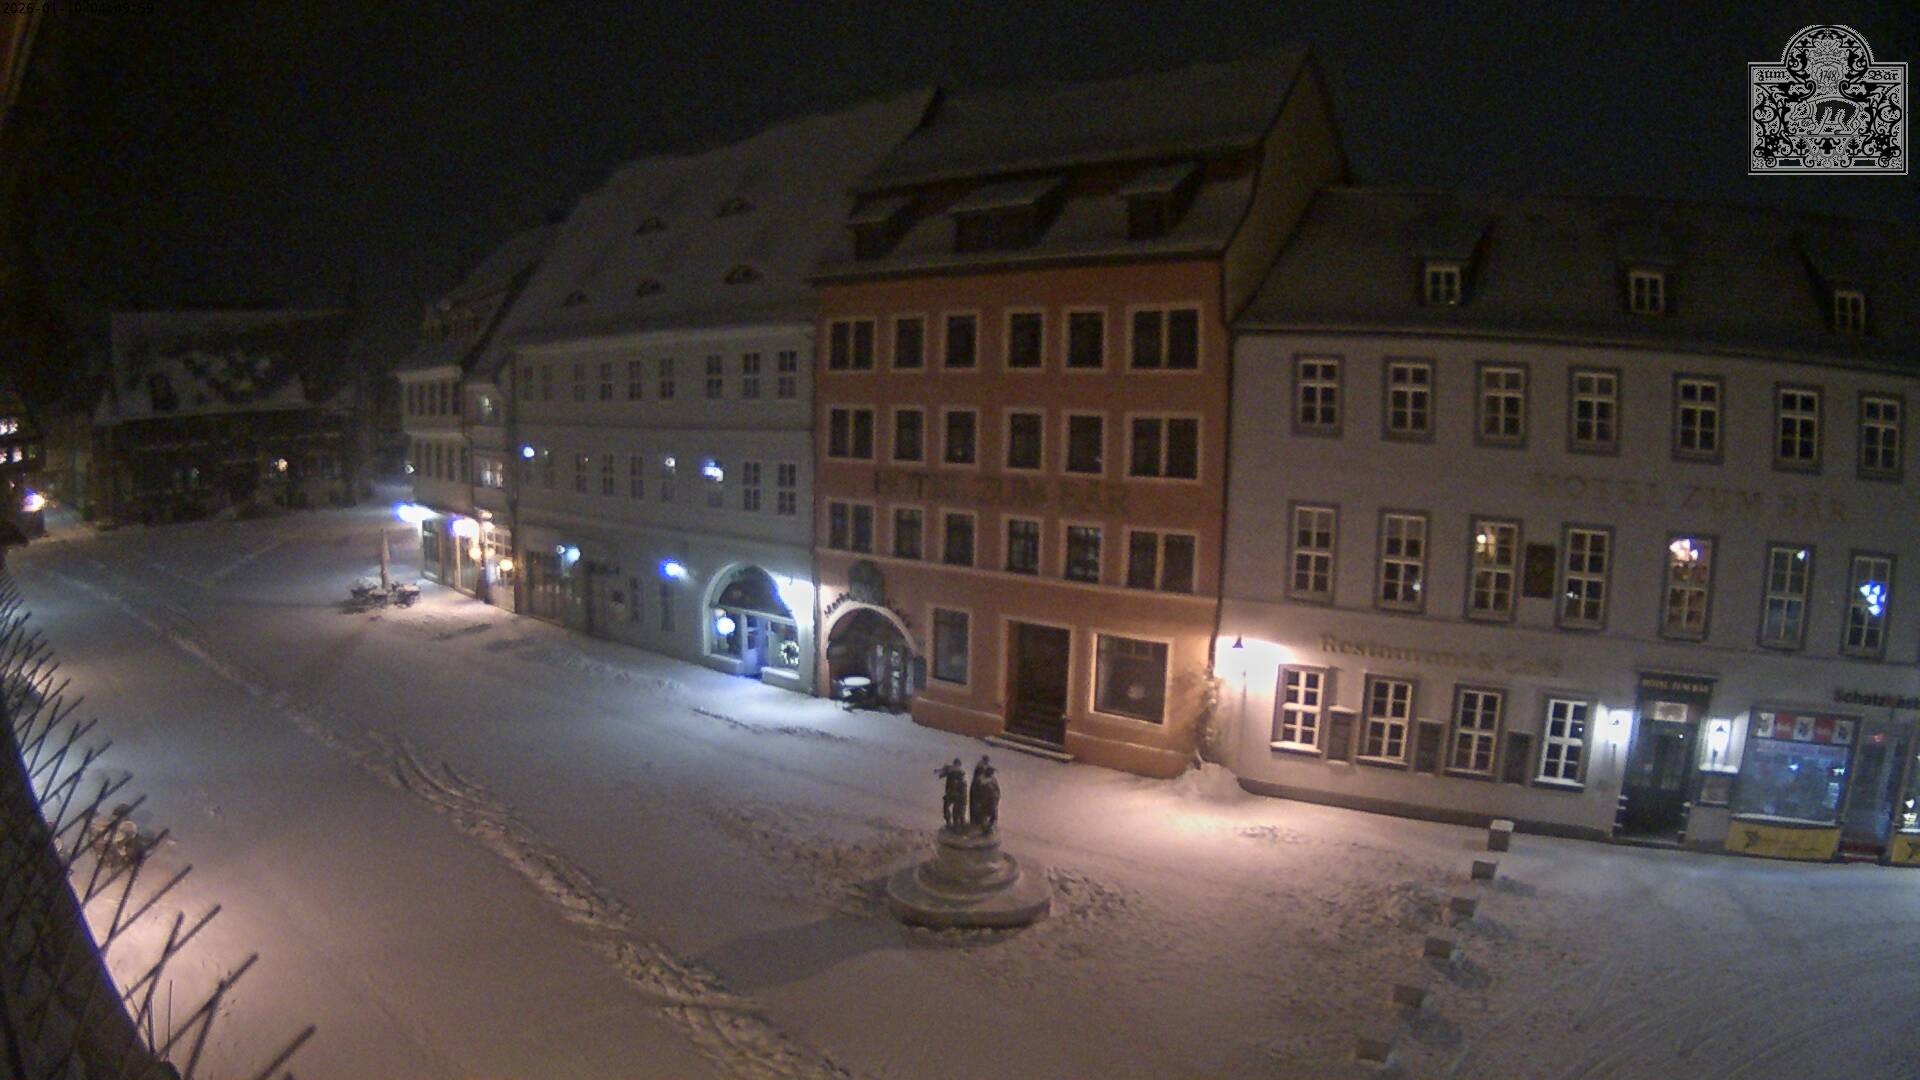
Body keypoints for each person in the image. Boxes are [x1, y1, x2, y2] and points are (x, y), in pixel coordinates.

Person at [968, 755, 999, 834]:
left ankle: (984, 827)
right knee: (981, 813)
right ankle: (981, 826)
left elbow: (996, 790)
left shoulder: (988, 779)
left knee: (988, 815)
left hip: (987, 800)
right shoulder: (981, 778)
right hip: (980, 797)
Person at [937, 758, 967, 828]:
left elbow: (940, 775)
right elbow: (964, 784)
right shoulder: (962, 772)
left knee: (946, 806)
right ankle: (959, 822)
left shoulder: (950, 769)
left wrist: (944, 769)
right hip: (959, 794)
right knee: (958, 809)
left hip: (950, 793)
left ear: (954, 763)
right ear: (960, 764)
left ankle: (948, 822)